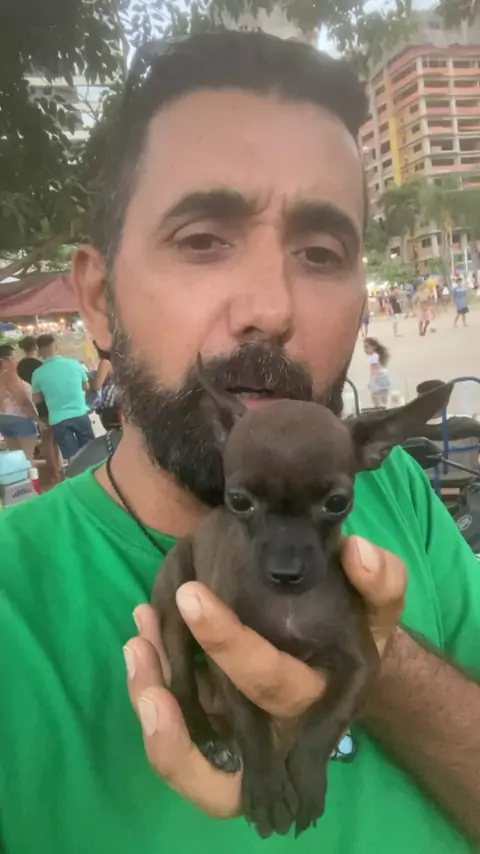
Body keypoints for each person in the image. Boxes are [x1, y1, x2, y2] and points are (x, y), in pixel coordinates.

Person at [0, 32, 479, 854]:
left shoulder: (401, 493)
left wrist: (380, 663)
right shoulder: (16, 601)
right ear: (99, 299)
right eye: (202, 240)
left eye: (321, 253)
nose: (270, 307)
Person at [32, 333, 94, 461]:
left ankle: (76, 473)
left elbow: (37, 400)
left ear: (39, 351)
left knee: (72, 456)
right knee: (90, 450)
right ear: (55, 346)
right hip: (80, 413)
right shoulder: (74, 364)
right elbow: (86, 386)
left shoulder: (37, 373)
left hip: (58, 419)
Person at [16, 335, 63, 485]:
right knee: (51, 440)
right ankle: (56, 470)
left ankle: (54, 469)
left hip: (31, 404)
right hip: (45, 403)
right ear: (36, 347)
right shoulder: (39, 365)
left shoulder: (20, 365)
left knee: (47, 439)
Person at [0, 343, 38, 462]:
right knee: (27, 460)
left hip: (3, 420)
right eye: (14, 357)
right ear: (5, 360)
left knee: (16, 460)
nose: (16, 361)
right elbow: (23, 402)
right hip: (21, 419)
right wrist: (38, 420)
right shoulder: (9, 376)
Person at [92, 342, 121, 430]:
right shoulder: (120, 363)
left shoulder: (105, 363)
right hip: (119, 404)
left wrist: (87, 381)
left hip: (110, 406)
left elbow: (96, 385)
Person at [363, 337, 392, 408]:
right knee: (384, 404)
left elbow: (374, 372)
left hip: (378, 382)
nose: (365, 350)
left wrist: (371, 383)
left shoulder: (373, 357)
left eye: (367, 347)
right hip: (385, 381)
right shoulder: (380, 356)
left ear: (374, 347)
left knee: (378, 404)